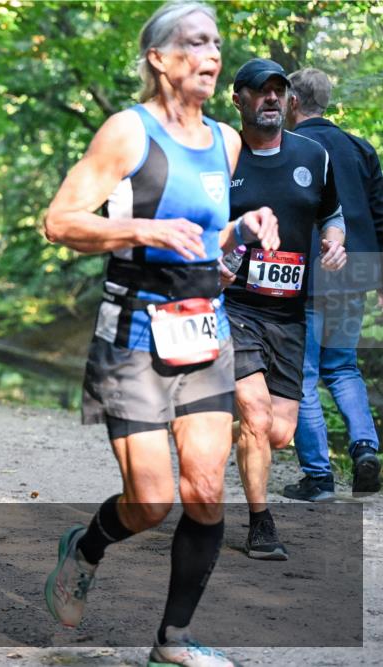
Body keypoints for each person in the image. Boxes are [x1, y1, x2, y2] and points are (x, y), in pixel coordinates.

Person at [41, 3, 278, 664]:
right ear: (159, 57)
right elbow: (59, 222)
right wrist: (138, 229)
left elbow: (206, 239)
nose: (212, 54)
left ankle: (170, 641)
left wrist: (246, 227)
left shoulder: (227, 140)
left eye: (217, 43)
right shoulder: (127, 131)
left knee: (205, 489)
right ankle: (85, 546)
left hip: (204, 328)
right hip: (136, 332)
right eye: (196, 42)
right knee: (151, 501)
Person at [222, 58, 346, 559]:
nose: (271, 98)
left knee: (276, 433)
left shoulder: (313, 155)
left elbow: (331, 213)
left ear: (290, 100)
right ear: (238, 99)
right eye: (260, 91)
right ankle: (261, 522)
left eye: (279, 90)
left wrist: (334, 242)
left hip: (290, 314)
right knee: (254, 412)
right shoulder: (220, 156)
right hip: (231, 306)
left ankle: (205, 427)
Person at [282, 67, 382, 500]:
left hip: (308, 271)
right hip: (357, 273)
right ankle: (366, 449)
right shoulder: (361, 148)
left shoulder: (289, 147)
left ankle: (319, 476)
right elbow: (380, 215)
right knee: (343, 367)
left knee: (302, 374)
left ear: (292, 102)